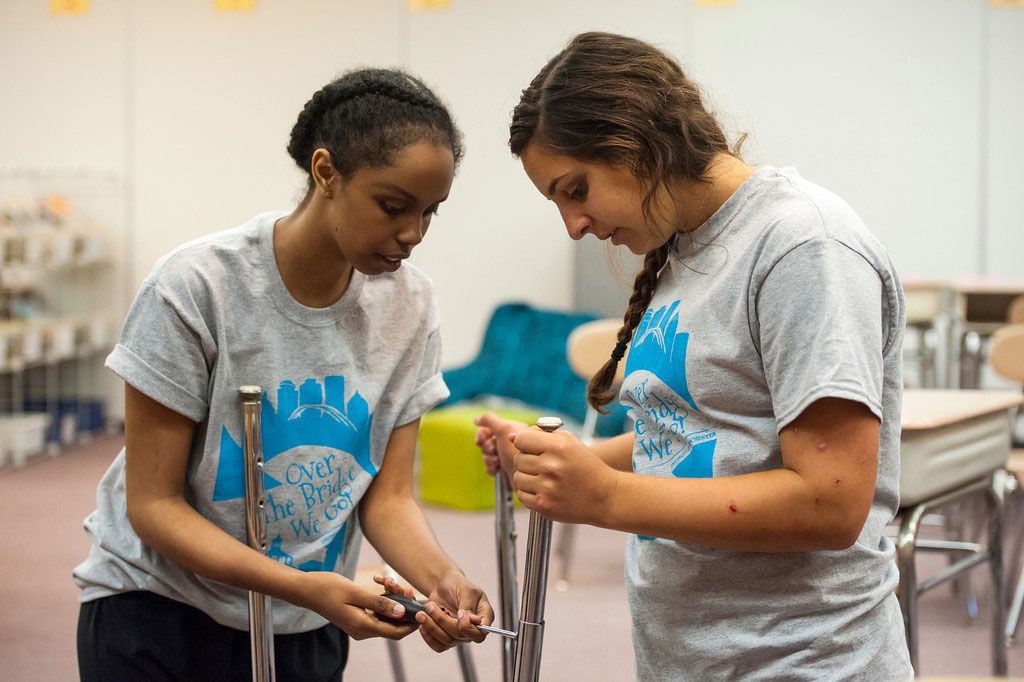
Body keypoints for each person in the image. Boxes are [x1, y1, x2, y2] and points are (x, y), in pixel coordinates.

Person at [476, 32, 912, 680]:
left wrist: (606, 498)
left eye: (576, 190)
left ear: (631, 140)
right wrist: (573, 464)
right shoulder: (682, 246)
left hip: (803, 662)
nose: (572, 225)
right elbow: (693, 432)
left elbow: (832, 501)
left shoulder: (802, 246)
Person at [74, 67, 493, 681]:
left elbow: (388, 496)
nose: (413, 234)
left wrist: (443, 580)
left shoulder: (411, 307)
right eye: (393, 206)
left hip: (300, 621)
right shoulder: (197, 289)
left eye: (431, 212)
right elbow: (153, 505)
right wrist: (306, 586)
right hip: (159, 610)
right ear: (326, 173)